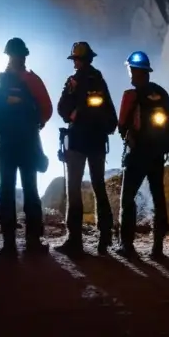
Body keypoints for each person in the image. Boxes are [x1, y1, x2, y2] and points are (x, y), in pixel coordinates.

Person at [0, 37, 53, 256]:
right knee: (30, 190)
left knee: (8, 190)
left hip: (6, 144)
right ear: (23, 56)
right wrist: (37, 123)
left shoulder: (2, 83)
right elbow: (47, 108)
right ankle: (32, 241)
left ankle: (9, 244)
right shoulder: (32, 81)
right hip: (28, 144)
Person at [56, 41, 118, 255]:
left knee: (73, 188)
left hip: (78, 141)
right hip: (97, 142)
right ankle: (105, 237)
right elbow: (112, 117)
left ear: (77, 60)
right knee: (98, 185)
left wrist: (73, 114)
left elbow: (62, 108)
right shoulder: (99, 80)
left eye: (75, 59)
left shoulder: (73, 81)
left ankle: (74, 240)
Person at [117, 51, 169, 259]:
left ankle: (127, 245)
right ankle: (157, 247)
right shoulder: (161, 93)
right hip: (157, 154)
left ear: (135, 71)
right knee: (158, 197)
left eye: (130, 70)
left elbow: (122, 124)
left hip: (138, 154)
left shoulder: (131, 95)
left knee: (128, 198)